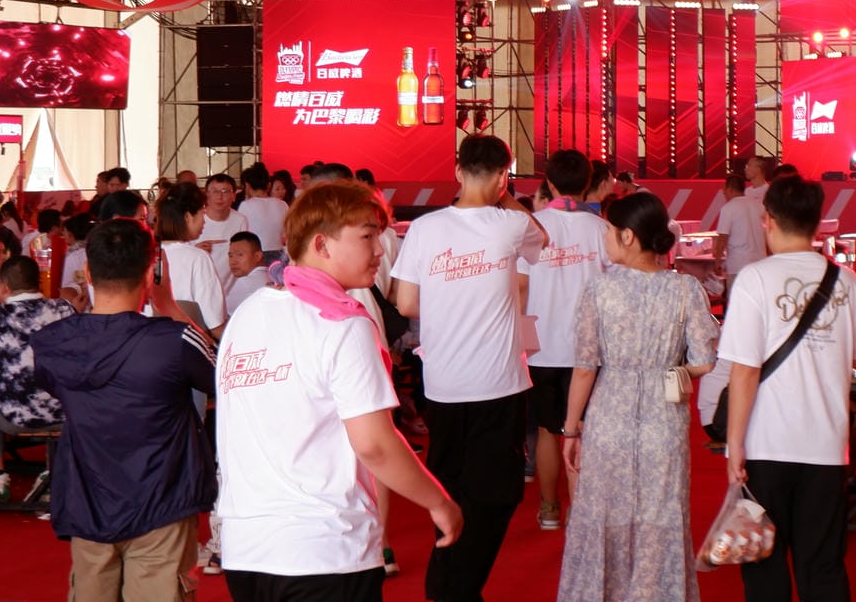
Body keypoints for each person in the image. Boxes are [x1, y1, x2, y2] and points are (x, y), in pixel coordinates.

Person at [216, 179, 460, 601]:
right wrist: (439, 502)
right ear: (322, 244)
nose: (380, 250)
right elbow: (375, 445)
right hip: (323, 551)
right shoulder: (343, 323)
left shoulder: (250, 312)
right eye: (367, 237)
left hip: (245, 548)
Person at [391, 135, 548, 602]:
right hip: (498, 384)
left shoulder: (424, 228)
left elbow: (406, 301)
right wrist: (507, 200)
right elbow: (543, 237)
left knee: (449, 488)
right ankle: (456, 587)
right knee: (498, 495)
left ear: (457, 173)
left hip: (441, 383)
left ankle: (450, 581)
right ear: (505, 178)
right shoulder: (509, 225)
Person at [32, 219, 216, 599]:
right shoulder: (173, 339)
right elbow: (222, 375)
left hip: (88, 499)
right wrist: (167, 305)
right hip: (161, 499)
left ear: (88, 275)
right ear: (151, 273)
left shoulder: (53, 342)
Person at [557, 193, 717, 602]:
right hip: (664, 420)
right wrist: (674, 371)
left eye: (610, 231)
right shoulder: (686, 289)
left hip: (609, 414)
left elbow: (585, 367)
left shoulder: (600, 291)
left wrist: (571, 428)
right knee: (660, 517)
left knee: (602, 515)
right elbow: (705, 359)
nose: (606, 238)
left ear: (628, 236)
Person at [722, 177, 856, 602]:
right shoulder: (847, 282)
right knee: (823, 563)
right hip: (826, 445)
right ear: (818, 223)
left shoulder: (754, 279)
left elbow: (745, 371)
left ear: (766, 219)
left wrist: (734, 446)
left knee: (763, 563)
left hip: (765, 446)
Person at [522, 149, 610, 533]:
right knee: (583, 430)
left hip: (541, 346)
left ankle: (549, 509)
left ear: (549, 182)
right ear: (588, 183)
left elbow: (520, 290)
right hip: (589, 350)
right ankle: (579, 509)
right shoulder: (601, 229)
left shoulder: (532, 226)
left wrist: (522, 342)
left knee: (546, 430)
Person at [0, 255, 76, 501]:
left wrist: (5, 355)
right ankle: (54, 470)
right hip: (67, 412)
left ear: (3, 286)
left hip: (19, 415)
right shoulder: (64, 308)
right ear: (40, 283)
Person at [154, 185, 226, 340]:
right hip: (188, 346)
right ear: (188, 217)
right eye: (202, 213)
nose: (204, 221)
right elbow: (215, 324)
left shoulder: (146, 255)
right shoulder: (197, 258)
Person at [718, 172, 767, 302]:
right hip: (759, 263)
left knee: (737, 304)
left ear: (729, 189)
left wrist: (717, 261)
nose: (723, 192)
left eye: (724, 189)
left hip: (738, 265)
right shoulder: (758, 206)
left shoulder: (728, 208)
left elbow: (722, 237)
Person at [195, 173, 248, 284]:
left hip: (232, 286)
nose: (220, 197)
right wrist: (195, 251)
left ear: (234, 196)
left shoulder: (240, 220)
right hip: (200, 282)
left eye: (225, 191)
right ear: (207, 195)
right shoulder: (194, 219)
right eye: (215, 191)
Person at [236, 164, 288, 266]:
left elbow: (241, 232)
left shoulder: (246, 205)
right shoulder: (282, 204)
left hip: (256, 255)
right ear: (268, 185)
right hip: (280, 254)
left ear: (247, 185)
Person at [221, 233, 269, 318]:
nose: (233, 261)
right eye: (230, 256)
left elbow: (219, 314)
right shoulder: (272, 276)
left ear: (257, 256)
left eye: (240, 255)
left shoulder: (245, 282)